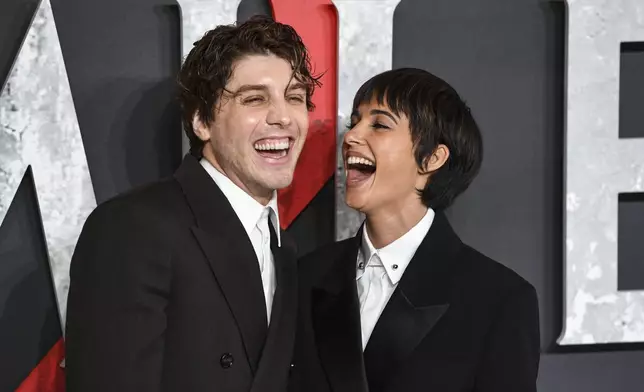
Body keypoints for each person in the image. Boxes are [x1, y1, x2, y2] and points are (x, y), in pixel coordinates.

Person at [65, 15, 320, 392]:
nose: (282, 117)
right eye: (255, 98)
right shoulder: (133, 228)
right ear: (202, 120)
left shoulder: (284, 246)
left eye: (295, 97)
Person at [290, 68, 540, 392]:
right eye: (355, 122)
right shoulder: (306, 277)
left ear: (432, 158)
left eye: (379, 124)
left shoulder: (499, 300)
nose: (350, 137)